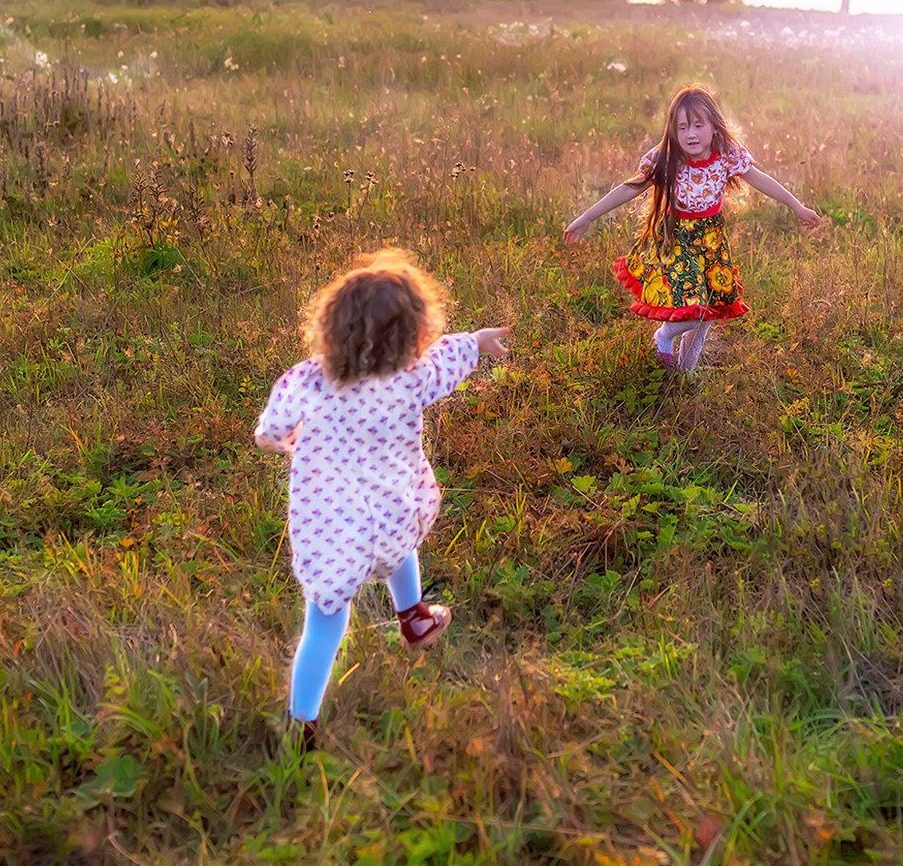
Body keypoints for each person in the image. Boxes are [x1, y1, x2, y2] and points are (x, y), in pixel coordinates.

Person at [253, 248, 510, 749]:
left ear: (334, 323)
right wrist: (478, 341)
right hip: (393, 501)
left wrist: (278, 442)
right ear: (413, 332)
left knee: (326, 617)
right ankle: (412, 615)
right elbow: (447, 361)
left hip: (331, 518)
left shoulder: (307, 378)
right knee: (401, 537)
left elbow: (271, 429)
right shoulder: (411, 376)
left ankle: (302, 722)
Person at [563, 84, 822, 372]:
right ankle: (664, 336)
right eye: (683, 127)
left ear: (714, 125)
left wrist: (796, 206)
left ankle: (684, 375)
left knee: (708, 314)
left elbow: (760, 179)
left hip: (711, 243)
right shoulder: (667, 157)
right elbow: (629, 189)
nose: (691, 134)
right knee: (696, 309)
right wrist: (586, 217)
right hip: (677, 240)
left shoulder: (726, 154)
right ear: (674, 131)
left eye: (699, 125)